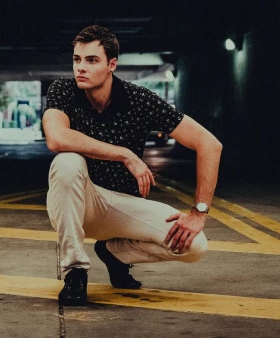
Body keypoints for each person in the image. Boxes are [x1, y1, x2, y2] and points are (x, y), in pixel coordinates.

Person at [42, 25, 223, 306]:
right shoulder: (63, 90)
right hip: (79, 202)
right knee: (67, 161)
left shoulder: (140, 100)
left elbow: (209, 144)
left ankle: (115, 252)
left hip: (123, 206)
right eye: (77, 59)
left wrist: (199, 212)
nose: (81, 68)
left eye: (92, 60)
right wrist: (124, 154)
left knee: (194, 246)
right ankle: (75, 272)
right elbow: (56, 138)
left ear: (112, 64)